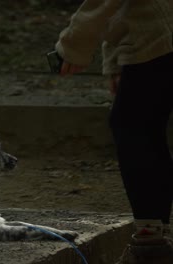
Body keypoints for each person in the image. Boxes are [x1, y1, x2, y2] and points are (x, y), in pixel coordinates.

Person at [54, 0, 173, 263]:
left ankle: (150, 242)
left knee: (133, 127)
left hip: (159, 40)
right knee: (142, 125)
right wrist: (117, 62)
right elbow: (122, 10)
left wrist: (72, 47)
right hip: (152, 39)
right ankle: (155, 235)